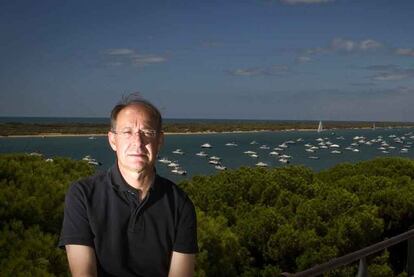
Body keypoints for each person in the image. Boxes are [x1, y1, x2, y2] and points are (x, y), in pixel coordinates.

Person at [59, 94, 198, 277]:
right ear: (112, 140)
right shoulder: (83, 195)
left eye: (147, 133)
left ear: (160, 140)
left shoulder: (180, 204)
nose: (138, 143)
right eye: (127, 132)